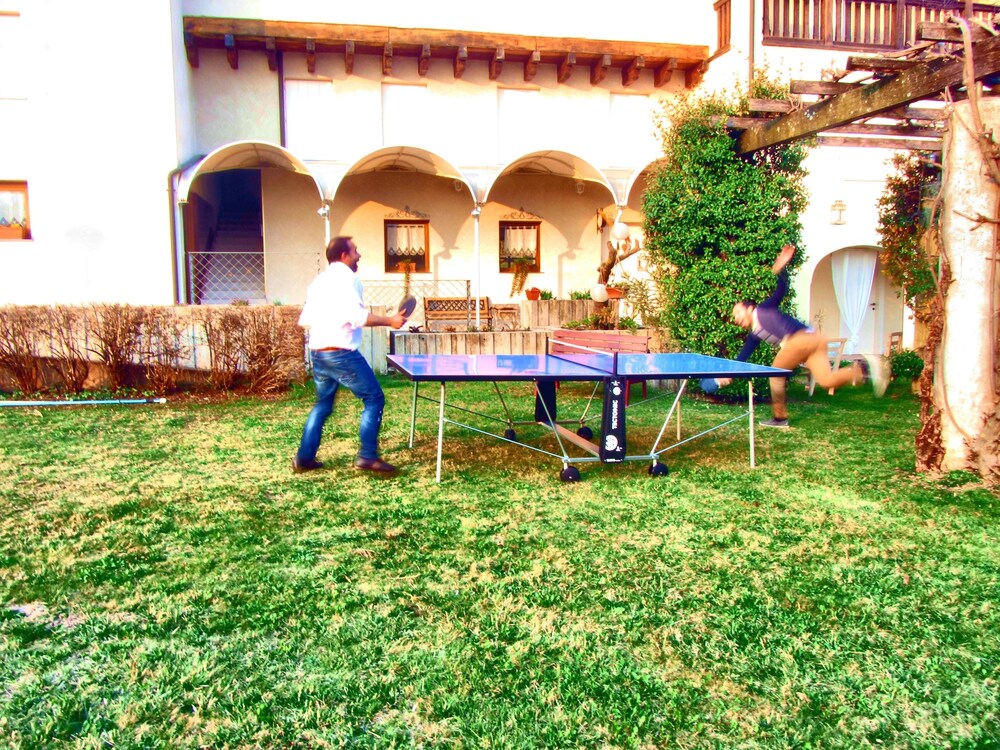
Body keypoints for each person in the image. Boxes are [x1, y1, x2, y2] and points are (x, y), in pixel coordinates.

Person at [713, 243, 888, 428]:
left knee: (775, 373)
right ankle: (864, 369)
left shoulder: (763, 309)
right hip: (815, 339)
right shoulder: (755, 332)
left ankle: (780, 418)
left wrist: (781, 268)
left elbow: (781, 291)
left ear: (749, 309)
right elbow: (743, 355)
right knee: (826, 380)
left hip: (802, 339)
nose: (736, 318)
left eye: (738, 313)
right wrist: (730, 374)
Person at [293, 236, 408, 473]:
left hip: (319, 353)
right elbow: (358, 317)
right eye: (355, 251)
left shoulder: (319, 281)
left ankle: (304, 458)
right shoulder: (348, 279)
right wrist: (391, 321)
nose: (359, 255)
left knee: (322, 405)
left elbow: (305, 320)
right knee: (374, 398)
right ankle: (367, 456)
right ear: (344, 256)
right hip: (341, 354)